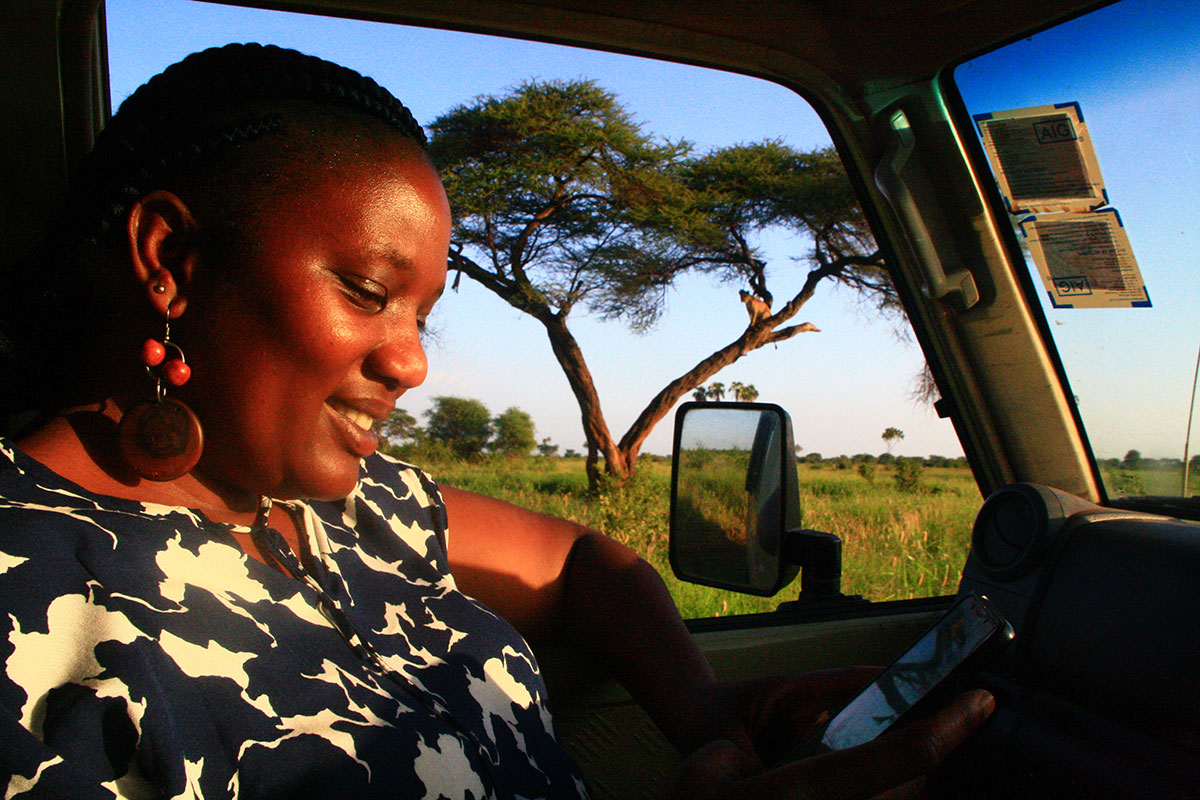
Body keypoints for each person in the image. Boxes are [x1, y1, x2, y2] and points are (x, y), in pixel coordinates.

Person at [0, 43, 992, 798]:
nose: (412, 361)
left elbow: (585, 562)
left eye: (423, 314)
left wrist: (707, 712)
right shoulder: (27, 605)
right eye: (364, 289)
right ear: (170, 257)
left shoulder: (356, 507)